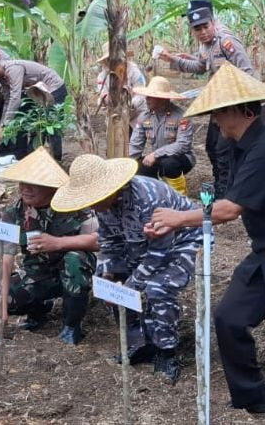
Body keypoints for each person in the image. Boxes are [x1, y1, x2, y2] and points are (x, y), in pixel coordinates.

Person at [147, 63, 265, 423]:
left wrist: (179, 218)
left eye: (220, 113)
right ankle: (254, 397)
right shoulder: (234, 146)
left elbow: (230, 210)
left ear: (245, 111)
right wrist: (191, 209)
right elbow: (220, 199)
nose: (217, 121)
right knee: (229, 319)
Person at [51, 154, 203, 382]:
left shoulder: (149, 198)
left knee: (157, 287)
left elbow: (159, 254)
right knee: (115, 285)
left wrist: (131, 285)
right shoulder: (103, 207)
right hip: (138, 243)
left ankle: (167, 351)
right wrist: (107, 272)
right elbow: (109, 241)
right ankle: (141, 343)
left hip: (183, 240)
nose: (92, 204)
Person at [0, 147, 99, 344]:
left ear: (51, 186)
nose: (25, 189)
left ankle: (72, 325)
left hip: (72, 271)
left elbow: (98, 240)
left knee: (74, 259)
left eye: (34, 184)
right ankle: (39, 308)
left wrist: (57, 243)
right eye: (23, 183)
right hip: (37, 274)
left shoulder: (73, 204)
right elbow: (4, 259)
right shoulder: (14, 211)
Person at [157, 0, 255, 199]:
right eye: (197, 29)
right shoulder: (205, 45)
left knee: (224, 149)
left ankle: (226, 192)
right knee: (212, 146)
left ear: (213, 22)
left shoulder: (226, 42)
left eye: (205, 27)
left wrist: (241, 107)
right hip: (220, 104)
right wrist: (173, 60)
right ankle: (223, 185)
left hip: (238, 104)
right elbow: (200, 67)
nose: (202, 32)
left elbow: (247, 72)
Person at [0, 55, 67, 160]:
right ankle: (36, 158)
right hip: (39, 92)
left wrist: (5, 124)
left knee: (52, 124)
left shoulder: (14, 69)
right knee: (37, 126)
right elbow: (7, 101)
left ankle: (56, 159)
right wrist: (2, 125)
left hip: (54, 88)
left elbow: (15, 98)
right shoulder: (2, 78)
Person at [129, 76, 195, 194]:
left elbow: (182, 145)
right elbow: (135, 145)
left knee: (169, 164)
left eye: (151, 97)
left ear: (163, 99)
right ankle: (154, 194)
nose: (147, 99)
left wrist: (156, 154)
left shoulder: (181, 116)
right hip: (157, 158)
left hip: (181, 158)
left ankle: (180, 196)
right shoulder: (144, 117)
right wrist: (128, 164)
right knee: (138, 167)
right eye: (147, 96)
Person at [95, 42, 148, 129]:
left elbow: (141, 94)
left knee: (135, 140)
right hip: (114, 117)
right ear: (106, 61)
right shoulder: (102, 76)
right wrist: (104, 99)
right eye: (110, 59)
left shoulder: (134, 72)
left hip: (136, 116)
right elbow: (102, 94)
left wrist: (127, 104)